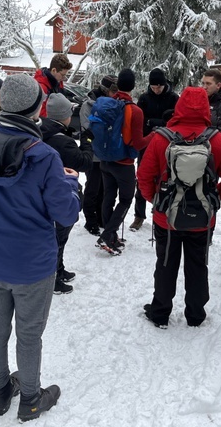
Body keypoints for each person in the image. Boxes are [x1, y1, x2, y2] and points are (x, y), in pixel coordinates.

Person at [0, 73, 81, 422]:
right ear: (37, 108)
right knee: (29, 335)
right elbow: (66, 214)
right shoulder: (43, 156)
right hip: (33, 266)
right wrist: (71, 185)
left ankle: (1, 391)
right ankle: (30, 397)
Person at [138, 87, 221, 328]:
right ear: (207, 108)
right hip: (203, 219)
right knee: (198, 266)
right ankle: (195, 315)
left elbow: (143, 176)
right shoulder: (217, 140)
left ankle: (160, 312)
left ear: (180, 106)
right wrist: (215, 198)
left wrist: (156, 203)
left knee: (165, 265)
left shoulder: (161, 138)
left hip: (167, 218)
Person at [40, 93, 94, 294]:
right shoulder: (62, 141)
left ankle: (58, 270)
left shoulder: (43, 129)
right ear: (65, 115)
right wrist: (87, 139)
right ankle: (53, 278)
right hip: (61, 193)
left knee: (57, 237)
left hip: (47, 191)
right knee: (58, 238)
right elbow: (84, 162)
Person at [97, 68, 153, 255]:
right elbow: (137, 143)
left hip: (105, 160)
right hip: (124, 163)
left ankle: (110, 236)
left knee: (108, 197)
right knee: (126, 199)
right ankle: (107, 235)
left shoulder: (107, 104)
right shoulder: (135, 111)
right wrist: (153, 135)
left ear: (118, 85)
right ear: (134, 86)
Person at [131, 68, 179, 231]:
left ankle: (164, 210)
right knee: (143, 178)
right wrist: (152, 124)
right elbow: (139, 120)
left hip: (168, 145)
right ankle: (139, 215)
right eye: (153, 87)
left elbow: (176, 120)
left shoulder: (173, 98)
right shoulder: (144, 98)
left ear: (164, 85)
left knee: (166, 179)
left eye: (159, 87)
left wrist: (155, 122)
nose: (156, 90)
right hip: (147, 143)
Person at [79, 75, 117, 235]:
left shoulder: (113, 104)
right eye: (113, 91)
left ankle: (101, 217)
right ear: (106, 90)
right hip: (93, 153)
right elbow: (88, 128)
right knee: (93, 187)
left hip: (106, 154)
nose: (115, 94)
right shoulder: (88, 105)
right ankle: (90, 220)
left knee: (103, 188)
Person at [34, 53, 73, 118]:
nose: (64, 78)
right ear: (54, 70)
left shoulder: (58, 81)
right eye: (63, 75)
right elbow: (41, 113)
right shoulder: (41, 87)